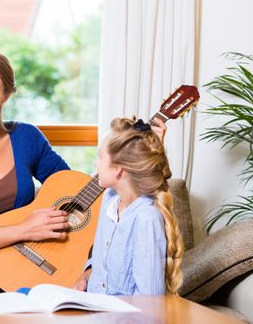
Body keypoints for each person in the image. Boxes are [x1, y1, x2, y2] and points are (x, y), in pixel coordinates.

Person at [0, 49, 169, 290]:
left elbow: (77, 193)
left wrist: (140, 156)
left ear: (5, 95)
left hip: (37, 269)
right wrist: (23, 229)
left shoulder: (26, 138)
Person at [72, 117, 184, 295]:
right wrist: (85, 277)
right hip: (90, 306)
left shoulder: (147, 218)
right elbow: (102, 260)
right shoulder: (109, 197)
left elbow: (149, 303)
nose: (96, 164)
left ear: (118, 168)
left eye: (100, 156)